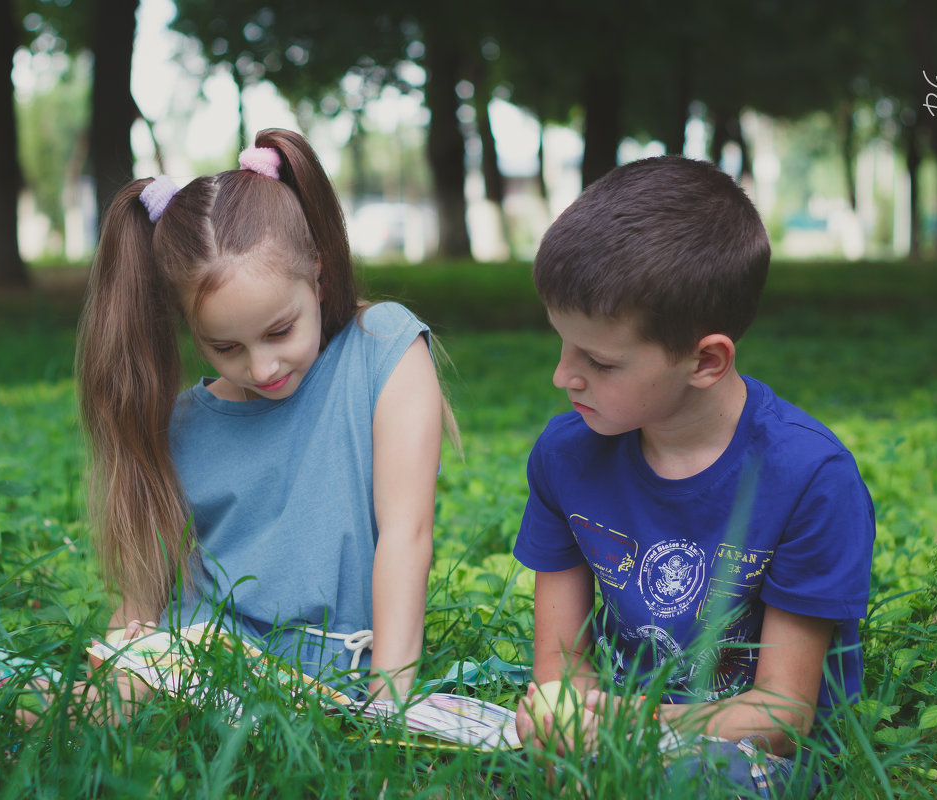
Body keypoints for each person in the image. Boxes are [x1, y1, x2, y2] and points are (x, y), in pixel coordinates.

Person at [511, 156, 875, 795]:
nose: (562, 376)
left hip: (750, 753)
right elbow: (562, 669)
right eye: (561, 344)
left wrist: (629, 728)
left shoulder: (810, 476)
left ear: (705, 361)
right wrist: (561, 717)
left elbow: (782, 715)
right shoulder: (565, 455)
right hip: (620, 728)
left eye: (598, 360)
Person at [75, 128, 452, 701]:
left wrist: (389, 700)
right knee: (114, 702)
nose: (262, 366)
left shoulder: (384, 348)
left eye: (280, 330)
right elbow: (140, 603)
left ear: (319, 277)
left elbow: (407, 533)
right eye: (226, 348)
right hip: (202, 654)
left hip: (332, 668)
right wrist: (121, 660)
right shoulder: (179, 424)